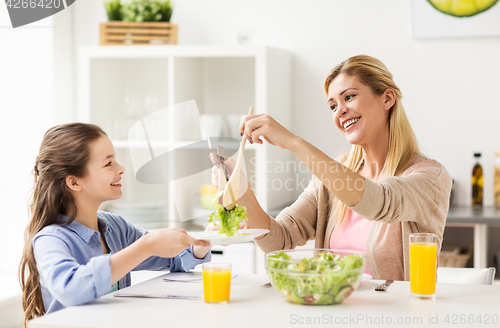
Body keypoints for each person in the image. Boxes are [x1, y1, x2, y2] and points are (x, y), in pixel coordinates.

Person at [211, 55, 452, 281]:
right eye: (333, 106)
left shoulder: (429, 177)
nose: (340, 111)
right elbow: (280, 239)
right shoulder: (331, 179)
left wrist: (293, 143)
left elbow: (377, 201)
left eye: (349, 97)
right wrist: (242, 191)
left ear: (387, 99)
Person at [19, 123, 211, 326]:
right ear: (74, 182)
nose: (121, 169)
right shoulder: (51, 240)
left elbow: (174, 257)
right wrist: (144, 247)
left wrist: (205, 239)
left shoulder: (115, 228)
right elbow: (71, 289)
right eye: (108, 164)